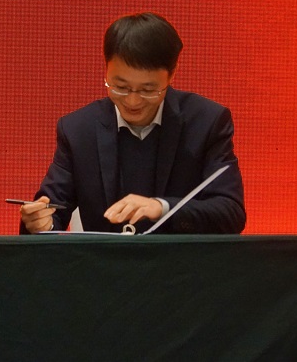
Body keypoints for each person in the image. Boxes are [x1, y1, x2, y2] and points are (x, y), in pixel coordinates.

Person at [20, 12, 246, 234]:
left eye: (148, 89)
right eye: (121, 87)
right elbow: (51, 209)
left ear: (172, 74)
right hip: (104, 259)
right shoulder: (78, 129)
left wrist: (163, 208)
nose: (133, 101)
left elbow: (230, 213)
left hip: (181, 259)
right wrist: (41, 223)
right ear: (106, 68)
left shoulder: (206, 122)